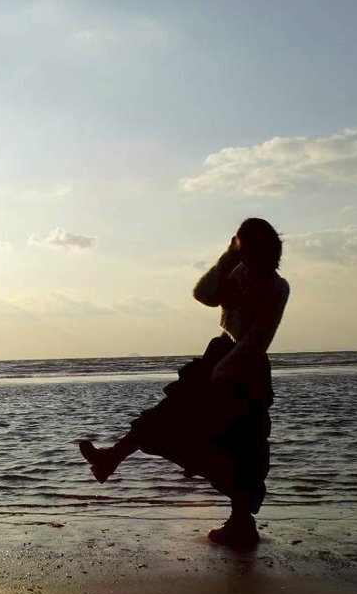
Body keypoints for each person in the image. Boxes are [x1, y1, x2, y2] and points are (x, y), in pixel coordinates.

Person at [78, 217, 290, 550]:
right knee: (168, 414)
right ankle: (111, 458)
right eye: (238, 246)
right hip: (219, 355)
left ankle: (241, 523)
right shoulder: (238, 273)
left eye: (243, 246)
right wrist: (227, 258)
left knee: (240, 446)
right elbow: (203, 295)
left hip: (245, 369)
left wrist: (222, 373)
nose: (240, 251)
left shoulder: (277, 287)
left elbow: (257, 341)